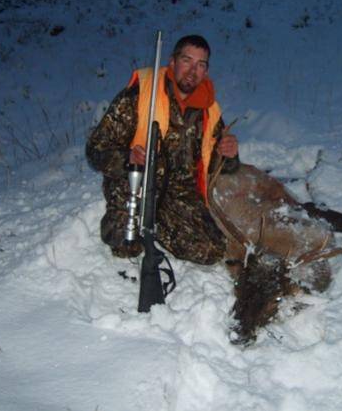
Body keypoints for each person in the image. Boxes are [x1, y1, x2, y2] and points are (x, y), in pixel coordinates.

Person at [86, 35, 239, 264]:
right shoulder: (141, 95)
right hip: (136, 184)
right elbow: (96, 150)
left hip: (179, 192)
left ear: (206, 71)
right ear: (173, 62)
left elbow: (219, 166)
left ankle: (158, 226)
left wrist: (229, 155)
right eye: (187, 60)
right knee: (124, 243)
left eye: (201, 65)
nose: (192, 70)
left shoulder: (209, 110)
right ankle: (143, 223)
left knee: (211, 251)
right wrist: (127, 158)